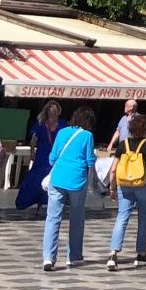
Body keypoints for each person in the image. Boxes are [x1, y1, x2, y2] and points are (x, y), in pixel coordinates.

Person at [39, 106, 98, 272]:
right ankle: (74, 256)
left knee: (53, 218)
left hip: (57, 179)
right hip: (77, 181)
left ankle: (48, 258)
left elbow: (52, 158)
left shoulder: (62, 132)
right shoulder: (87, 136)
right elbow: (90, 161)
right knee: (77, 218)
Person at [105, 113, 146, 270]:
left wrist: (112, 188)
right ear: (145, 128)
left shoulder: (123, 144)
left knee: (122, 217)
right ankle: (141, 253)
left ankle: (113, 254)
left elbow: (113, 169)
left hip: (125, 185)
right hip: (144, 183)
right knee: (143, 218)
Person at [15, 101, 64, 213]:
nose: (53, 114)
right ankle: (27, 201)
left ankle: (45, 204)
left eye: (55, 111)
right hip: (42, 155)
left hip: (55, 156)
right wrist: (32, 151)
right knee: (36, 178)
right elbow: (34, 139)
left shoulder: (61, 124)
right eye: (51, 111)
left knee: (51, 180)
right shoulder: (41, 123)